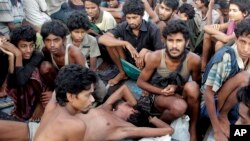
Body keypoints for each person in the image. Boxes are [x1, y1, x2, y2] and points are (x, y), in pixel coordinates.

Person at [0, 84, 174, 141]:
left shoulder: (125, 128)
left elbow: (168, 130)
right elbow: (123, 89)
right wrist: (136, 104)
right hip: (43, 128)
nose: (125, 103)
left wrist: (149, 117)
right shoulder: (106, 107)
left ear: (131, 112)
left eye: (128, 105)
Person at [137, 19, 201, 141]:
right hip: (157, 94)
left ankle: (193, 129)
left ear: (187, 42)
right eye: (170, 41)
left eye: (179, 41)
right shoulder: (155, 56)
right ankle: (156, 126)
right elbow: (140, 82)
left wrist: (178, 88)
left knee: (192, 87)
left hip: (179, 93)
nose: (174, 46)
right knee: (179, 106)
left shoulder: (194, 60)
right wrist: (161, 92)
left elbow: (197, 84)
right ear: (164, 40)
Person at [200, 18, 250, 141]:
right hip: (211, 105)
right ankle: (222, 116)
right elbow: (208, 93)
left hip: (235, 104)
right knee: (245, 78)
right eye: (242, 42)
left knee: (239, 133)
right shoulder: (226, 57)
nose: (246, 48)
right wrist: (217, 130)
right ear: (236, 38)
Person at [98, 0, 164, 86]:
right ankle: (122, 73)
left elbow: (161, 55)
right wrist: (125, 43)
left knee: (149, 55)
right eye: (128, 18)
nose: (131, 21)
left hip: (145, 67)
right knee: (111, 43)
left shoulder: (153, 29)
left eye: (134, 17)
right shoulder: (123, 25)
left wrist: (146, 51)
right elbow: (102, 39)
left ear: (142, 16)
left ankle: (146, 80)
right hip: (128, 62)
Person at [41, 20, 107, 103]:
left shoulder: (74, 53)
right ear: (44, 41)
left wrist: (56, 94)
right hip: (65, 80)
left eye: (56, 40)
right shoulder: (46, 51)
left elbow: (85, 78)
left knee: (100, 94)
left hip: (81, 79)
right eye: (48, 40)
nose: (52, 45)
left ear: (64, 40)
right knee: (44, 66)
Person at [0, 25, 52, 121]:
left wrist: (18, 55)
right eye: (23, 46)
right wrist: (13, 56)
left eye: (31, 45)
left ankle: (38, 106)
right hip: (16, 94)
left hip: (35, 95)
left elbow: (21, 80)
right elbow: (12, 83)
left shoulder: (37, 55)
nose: (28, 50)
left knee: (33, 74)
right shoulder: (9, 55)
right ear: (14, 46)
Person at [33, 64, 96, 141]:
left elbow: (58, 87)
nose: (93, 99)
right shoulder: (75, 126)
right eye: (88, 95)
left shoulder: (52, 106)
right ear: (70, 97)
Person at [201, 0, 249, 71]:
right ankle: (203, 66)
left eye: (234, 11)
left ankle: (219, 69)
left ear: (245, 13)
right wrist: (216, 31)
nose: (230, 13)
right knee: (207, 34)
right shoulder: (232, 22)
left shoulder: (245, 26)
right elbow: (206, 27)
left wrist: (217, 33)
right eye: (230, 10)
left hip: (240, 48)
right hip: (228, 43)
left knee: (219, 44)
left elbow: (226, 39)